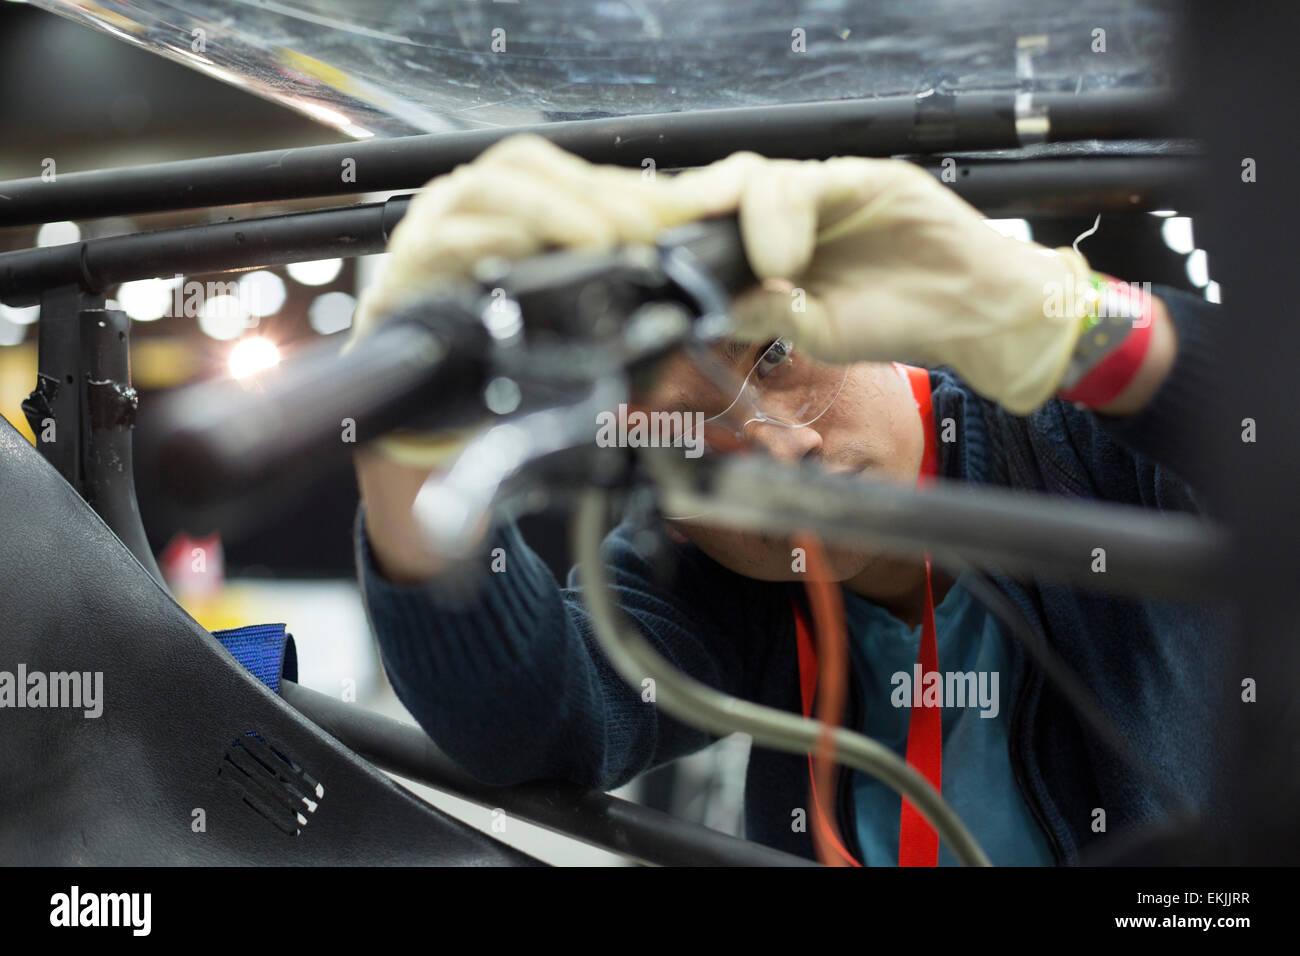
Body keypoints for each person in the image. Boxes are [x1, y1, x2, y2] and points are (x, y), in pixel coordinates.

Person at [350, 135, 1228, 865]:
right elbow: (533, 724)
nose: (783, 447)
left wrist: (1056, 316)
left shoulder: (1070, 443)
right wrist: (408, 452)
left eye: (774, 356)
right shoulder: (707, 572)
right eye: (693, 439)